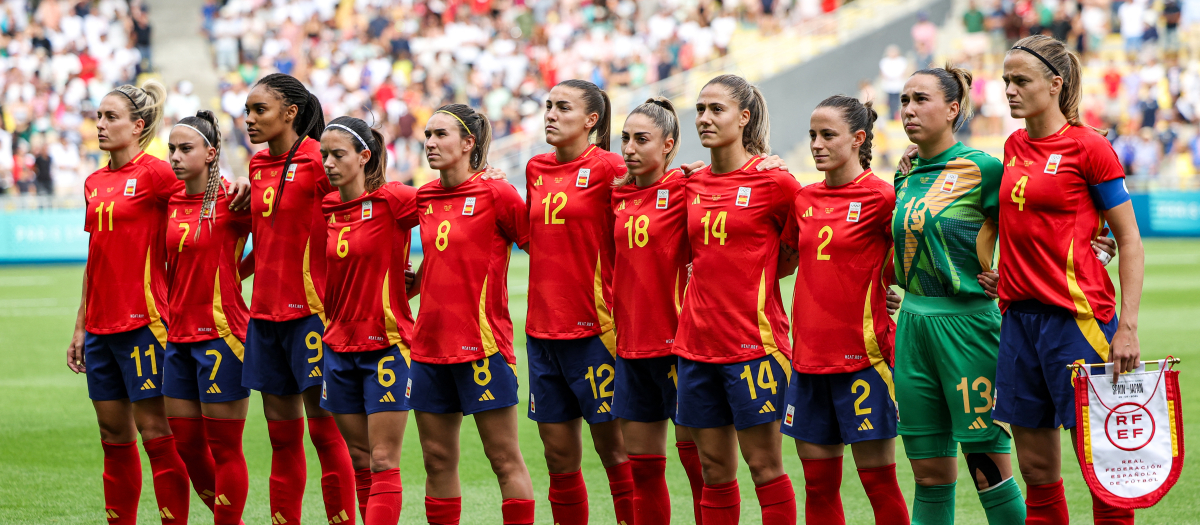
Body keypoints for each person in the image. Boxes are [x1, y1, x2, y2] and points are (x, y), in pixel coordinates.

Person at [996, 35, 1144, 524]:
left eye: (1021, 81)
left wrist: (1128, 326)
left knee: (1105, 467)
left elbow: (1129, 240)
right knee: (1037, 471)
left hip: (1077, 324)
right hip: (1018, 324)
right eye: (1006, 82)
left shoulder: (1090, 148)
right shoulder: (1012, 144)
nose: (1010, 91)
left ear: (1055, 84)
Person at [890, 66, 1025, 525]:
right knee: (928, 475)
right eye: (905, 99)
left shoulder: (984, 169)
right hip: (912, 330)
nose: (908, 109)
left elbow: (1034, 231)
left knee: (989, 471)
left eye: (921, 99)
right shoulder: (904, 174)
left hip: (969, 328)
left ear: (953, 109)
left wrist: (1008, 277)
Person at [674, 74, 798, 525]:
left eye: (717, 110)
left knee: (764, 467)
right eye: (700, 110)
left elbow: (805, 249)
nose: (705, 118)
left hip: (754, 345)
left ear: (744, 118)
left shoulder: (776, 181)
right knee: (713, 471)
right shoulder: (689, 183)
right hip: (695, 346)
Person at [66, 80, 192, 525]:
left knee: (157, 434)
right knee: (112, 436)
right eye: (98, 116)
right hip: (100, 328)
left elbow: (198, 208)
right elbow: (95, 256)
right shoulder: (94, 181)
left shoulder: (157, 174)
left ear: (138, 126)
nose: (100, 125)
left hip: (144, 324)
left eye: (110, 117)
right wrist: (80, 325)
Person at [781, 95, 908, 525]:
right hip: (808, 361)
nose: (816, 144)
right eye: (813, 135)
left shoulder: (882, 197)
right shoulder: (803, 200)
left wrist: (894, 291)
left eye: (827, 135)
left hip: (863, 360)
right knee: (817, 486)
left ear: (858, 139)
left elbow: (909, 263)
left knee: (879, 483)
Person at [408, 104, 536, 525]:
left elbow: (539, 243)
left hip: (482, 347)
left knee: (503, 459)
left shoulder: (497, 193)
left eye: (441, 134)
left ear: (469, 143)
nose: (430, 142)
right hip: (427, 349)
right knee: (437, 460)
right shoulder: (423, 196)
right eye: (427, 134)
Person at [240, 73, 357, 525]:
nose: (249, 119)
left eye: (259, 110)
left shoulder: (318, 160)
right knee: (281, 441)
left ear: (290, 113)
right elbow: (264, 238)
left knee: (327, 436)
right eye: (247, 111)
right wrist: (234, 270)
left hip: (311, 315)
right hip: (264, 319)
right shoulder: (255, 165)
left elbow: (362, 212)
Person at [523, 79, 633, 525]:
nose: (550, 113)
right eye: (547, 105)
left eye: (562, 107)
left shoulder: (612, 167)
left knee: (617, 453)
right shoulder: (533, 168)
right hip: (541, 333)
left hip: (596, 332)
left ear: (591, 120)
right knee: (558, 456)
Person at [317, 116, 418, 525]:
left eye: (337, 154)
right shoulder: (328, 206)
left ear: (364, 156)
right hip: (338, 346)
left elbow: (452, 212)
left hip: (387, 345)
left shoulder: (394, 199)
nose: (327, 163)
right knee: (359, 459)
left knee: (381, 459)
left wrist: (417, 280)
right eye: (324, 154)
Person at [609, 97, 704, 524]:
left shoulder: (689, 188)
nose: (629, 147)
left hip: (679, 349)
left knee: (702, 471)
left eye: (641, 139)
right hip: (630, 349)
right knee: (643, 471)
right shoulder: (617, 195)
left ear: (668, 145)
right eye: (625, 138)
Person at [163, 110, 252, 525]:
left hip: (223, 336)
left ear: (211, 153)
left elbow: (281, 238)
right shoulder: (171, 201)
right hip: (176, 339)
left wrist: (237, 270)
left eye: (185, 148)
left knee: (225, 448)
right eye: (172, 149)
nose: (176, 157)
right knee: (186, 446)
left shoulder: (235, 200)